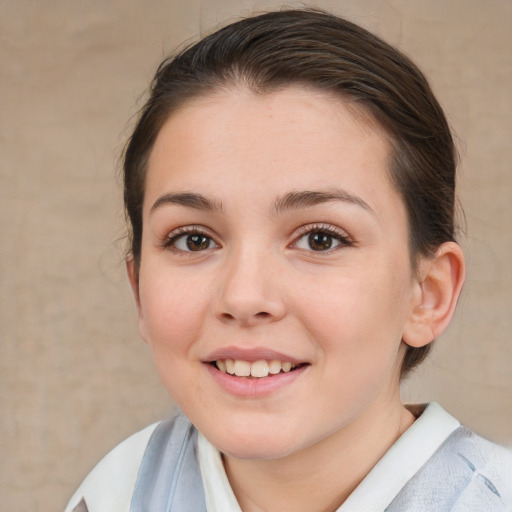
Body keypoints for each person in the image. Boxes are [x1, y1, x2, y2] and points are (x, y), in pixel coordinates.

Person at [64, 8, 512, 512]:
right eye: (193, 240)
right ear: (138, 288)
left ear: (427, 295)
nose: (244, 296)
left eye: (320, 239)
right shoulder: (118, 492)